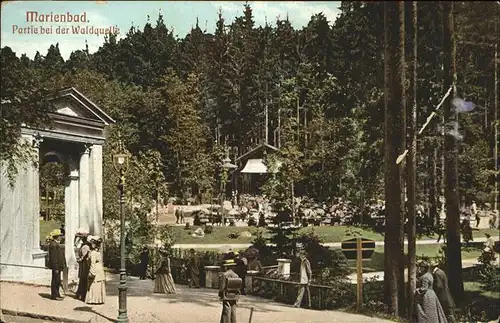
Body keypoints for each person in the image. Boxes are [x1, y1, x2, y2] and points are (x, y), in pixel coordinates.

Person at [219, 259, 242, 323]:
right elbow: (238, 287)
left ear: (227, 267)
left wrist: (220, 295)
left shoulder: (224, 275)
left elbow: (222, 287)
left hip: (226, 295)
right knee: (233, 311)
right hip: (234, 295)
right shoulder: (236, 275)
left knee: (226, 311)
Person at [86, 237, 106, 305]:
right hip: (98, 269)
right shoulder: (96, 252)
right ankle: (97, 299)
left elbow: (92, 263)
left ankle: (94, 299)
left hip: (96, 269)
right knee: (96, 283)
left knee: (95, 283)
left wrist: (92, 272)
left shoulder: (94, 253)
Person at [47, 229, 66, 300]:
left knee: (57, 281)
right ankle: (54, 295)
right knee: (55, 281)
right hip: (56, 267)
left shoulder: (56, 244)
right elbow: (54, 258)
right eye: (60, 236)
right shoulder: (54, 245)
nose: (61, 237)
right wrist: (56, 268)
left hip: (58, 266)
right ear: (56, 237)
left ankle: (57, 294)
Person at [75, 234, 91, 301]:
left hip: (83, 264)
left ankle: (79, 294)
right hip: (85, 265)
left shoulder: (83, 246)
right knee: (84, 280)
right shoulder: (85, 247)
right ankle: (82, 295)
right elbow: (84, 257)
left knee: (82, 280)